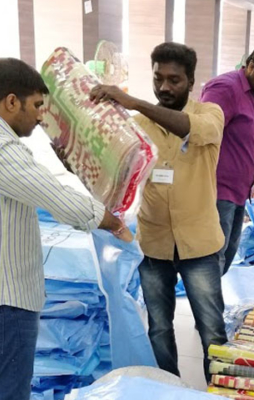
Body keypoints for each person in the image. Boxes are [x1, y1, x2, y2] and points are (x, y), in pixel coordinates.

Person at [0, 58, 131, 400]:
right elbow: (60, 200)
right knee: (8, 392)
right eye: (36, 105)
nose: (40, 115)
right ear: (11, 102)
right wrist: (111, 220)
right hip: (3, 300)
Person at [88, 42, 228, 379]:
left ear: (191, 81)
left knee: (212, 332)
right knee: (159, 331)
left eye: (174, 80)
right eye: (158, 78)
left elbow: (192, 129)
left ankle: (221, 389)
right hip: (154, 244)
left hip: (200, 245)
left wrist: (134, 101)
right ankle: (168, 390)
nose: (164, 87)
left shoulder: (210, 114)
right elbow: (104, 166)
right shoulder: (136, 126)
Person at [200, 42, 254, 275]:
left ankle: (212, 306)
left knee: (226, 256)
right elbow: (203, 135)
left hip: (240, 191)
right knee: (212, 257)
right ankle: (208, 310)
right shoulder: (225, 89)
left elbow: (249, 139)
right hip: (219, 189)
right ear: (250, 65)